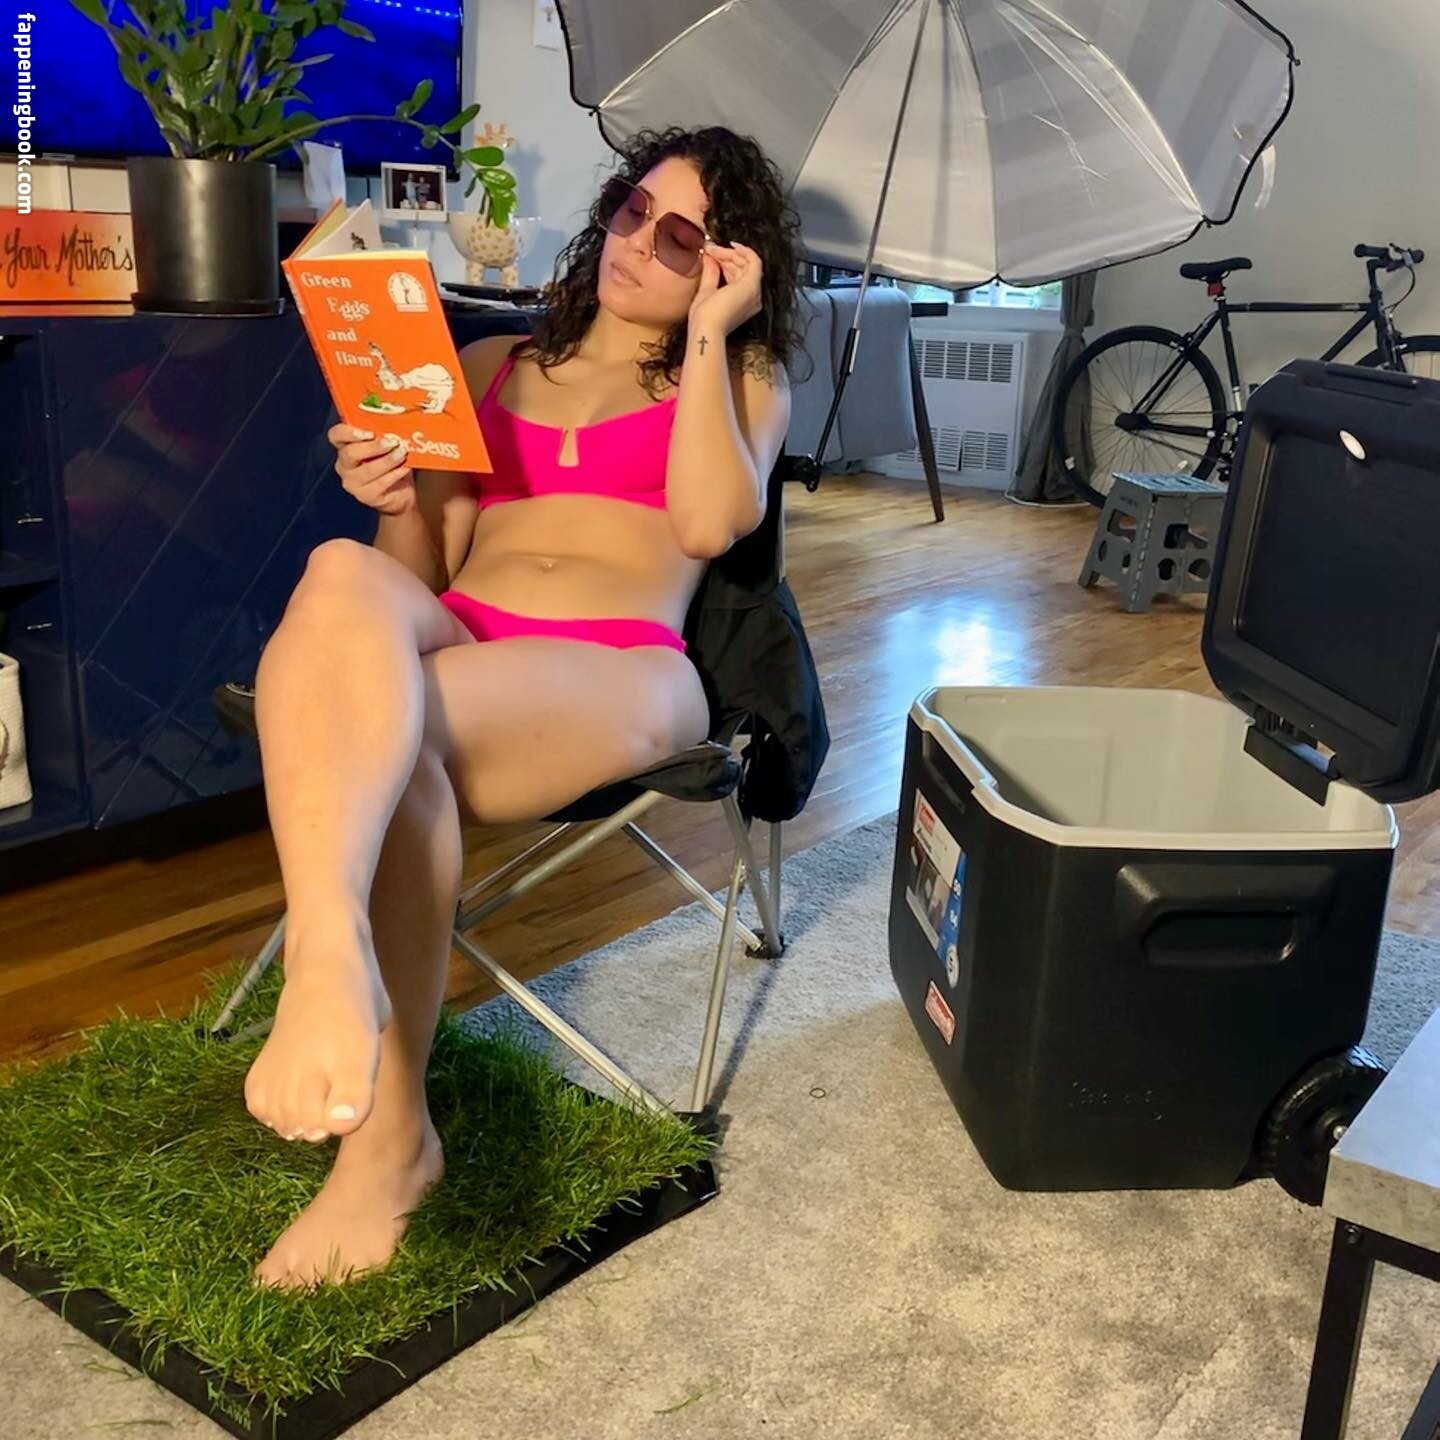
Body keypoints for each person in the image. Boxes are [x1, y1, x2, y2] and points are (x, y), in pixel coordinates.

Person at [243, 125, 805, 1290]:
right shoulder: (492, 361)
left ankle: (384, 1146)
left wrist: (711, 334)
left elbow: (709, 523)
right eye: (632, 210)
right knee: (338, 575)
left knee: (400, 732)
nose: (638, 242)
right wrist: (393, 491)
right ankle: (334, 955)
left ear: (726, 265)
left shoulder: (743, 381)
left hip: (621, 666)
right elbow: (418, 571)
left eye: (682, 237)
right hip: (466, 632)